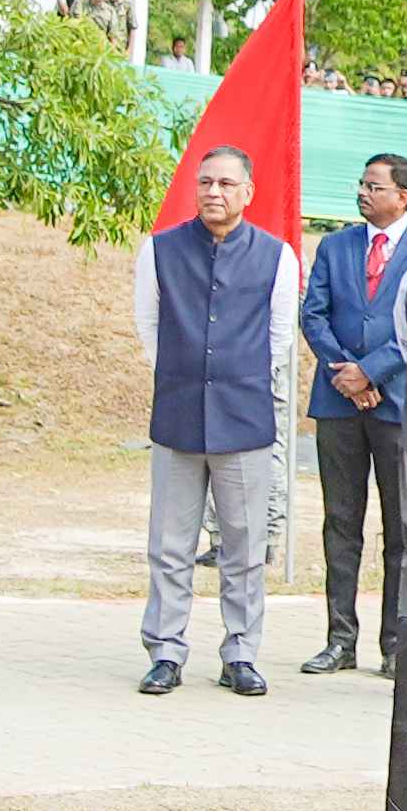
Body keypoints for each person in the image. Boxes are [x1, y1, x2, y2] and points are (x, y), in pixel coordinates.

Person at [139, 146, 293, 699]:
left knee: (244, 547)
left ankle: (241, 653)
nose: (214, 192)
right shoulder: (159, 250)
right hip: (178, 413)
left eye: (227, 183)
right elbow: (149, 328)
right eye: (205, 182)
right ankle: (165, 650)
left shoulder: (277, 257)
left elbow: (278, 341)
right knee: (170, 543)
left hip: (243, 417)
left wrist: (232, 379)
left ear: (247, 192)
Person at [298, 151, 407, 675]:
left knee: (401, 528)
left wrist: (372, 373)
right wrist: (346, 372)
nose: (363, 193)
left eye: (374, 186)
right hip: (338, 403)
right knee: (341, 520)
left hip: (397, 403)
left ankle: (394, 644)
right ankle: (340, 639)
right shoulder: (335, 246)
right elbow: (312, 313)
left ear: (403, 197)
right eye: (360, 184)